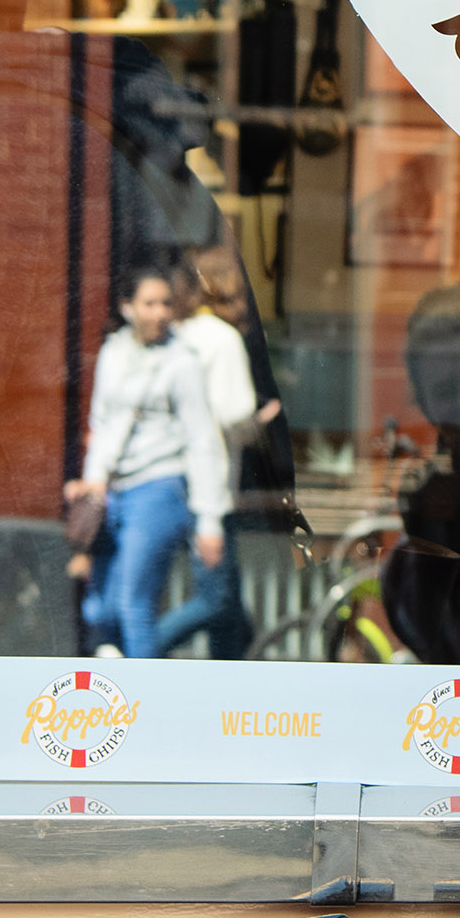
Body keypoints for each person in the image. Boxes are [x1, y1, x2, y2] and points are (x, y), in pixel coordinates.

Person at [68, 263, 230, 661]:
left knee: (134, 604)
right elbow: (102, 423)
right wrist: (93, 483)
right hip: (114, 492)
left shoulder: (182, 362)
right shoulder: (114, 352)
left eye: (166, 304)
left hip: (160, 488)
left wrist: (209, 520)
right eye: (149, 304)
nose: (159, 313)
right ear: (127, 307)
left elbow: (202, 440)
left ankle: (144, 707)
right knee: (101, 608)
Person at [151, 248, 283, 659]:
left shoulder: (167, 338)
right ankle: (140, 649)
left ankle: (233, 673)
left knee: (228, 605)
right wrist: (261, 420)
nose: (244, 303)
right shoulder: (219, 340)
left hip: (165, 482)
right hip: (209, 487)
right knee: (217, 598)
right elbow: (233, 413)